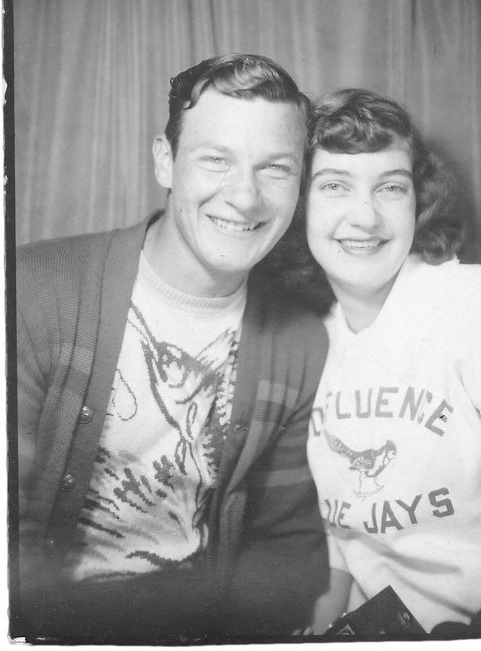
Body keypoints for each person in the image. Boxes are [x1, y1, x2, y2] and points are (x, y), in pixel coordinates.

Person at [14, 54, 329, 643]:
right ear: (166, 160)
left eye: (276, 169)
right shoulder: (33, 290)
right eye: (216, 160)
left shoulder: (300, 342)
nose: (245, 197)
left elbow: (284, 551)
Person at [300, 89, 481, 637]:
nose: (364, 217)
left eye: (390, 187)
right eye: (335, 186)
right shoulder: (310, 340)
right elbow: (343, 547)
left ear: (421, 199)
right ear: (300, 205)